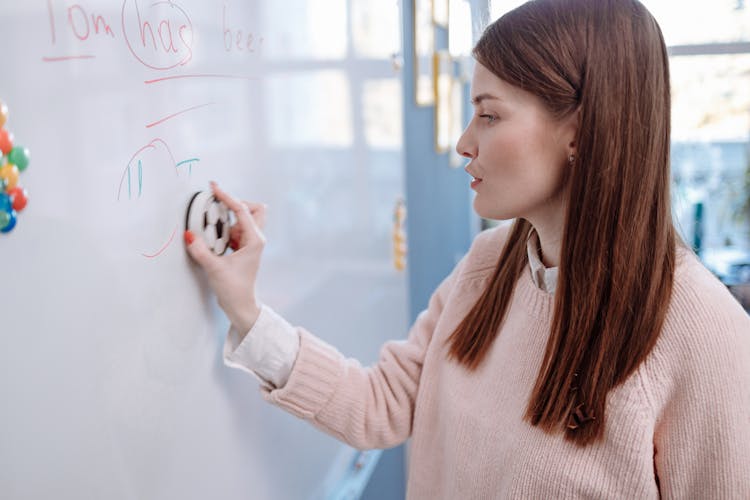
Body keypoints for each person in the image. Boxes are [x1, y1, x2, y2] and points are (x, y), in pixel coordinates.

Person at [185, 0, 750, 497]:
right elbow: (379, 403)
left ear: (579, 130)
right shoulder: (487, 266)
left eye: (488, 114)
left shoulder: (704, 331)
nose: (463, 142)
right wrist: (246, 311)